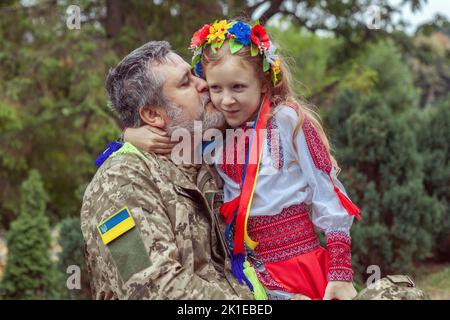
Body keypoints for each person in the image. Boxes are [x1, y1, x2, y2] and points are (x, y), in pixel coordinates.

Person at [125, 19, 362, 300]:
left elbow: (328, 194)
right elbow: (167, 142)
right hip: (247, 276)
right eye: (216, 88)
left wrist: (339, 272)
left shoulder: (288, 121)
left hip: (301, 266)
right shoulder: (213, 135)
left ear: (263, 83)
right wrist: (128, 135)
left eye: (238, 87)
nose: (226, 100)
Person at [80, 40, 252, 300]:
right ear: (153, 115)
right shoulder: (119, 182)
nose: (203, 83)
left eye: (194, 74)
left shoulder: (208, 162)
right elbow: (149, 286)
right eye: (186, 82)